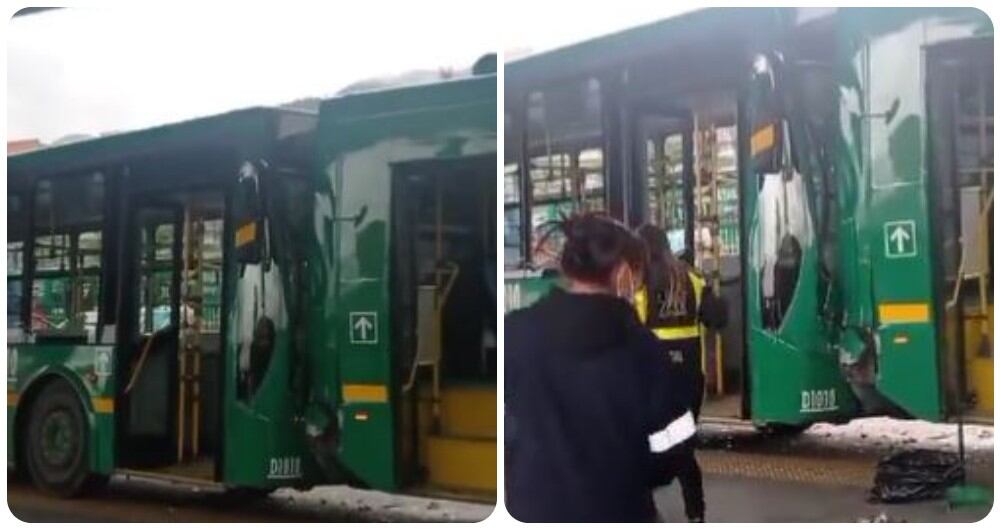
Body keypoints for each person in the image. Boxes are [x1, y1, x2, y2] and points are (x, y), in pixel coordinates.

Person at [505, 213, 697, 522]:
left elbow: (505, 429)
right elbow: (674, 443)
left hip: (532, 508)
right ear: (623, 273)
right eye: (637, 274)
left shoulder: (515, 333)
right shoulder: (642, 348)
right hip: (619, 508)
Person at [634, 224, 728, 523]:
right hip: (689, 379)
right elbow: (717, 318)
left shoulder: (639, 281)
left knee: (642, 446)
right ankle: (696, 516)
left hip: (650, 379)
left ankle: (645, 514)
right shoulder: (692, 278)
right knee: (683, 448)